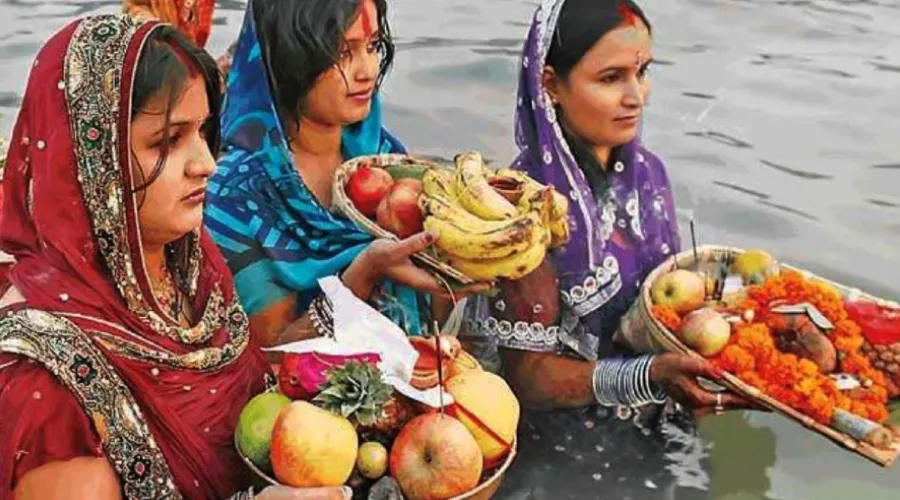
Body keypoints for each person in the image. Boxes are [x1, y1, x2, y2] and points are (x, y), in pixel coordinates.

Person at [0, 15, 349, 500]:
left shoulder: (188, 265)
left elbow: (243, 399)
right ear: (90, 163)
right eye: (167, 141)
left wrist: (356, 302)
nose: (206, 163)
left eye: (204, 132)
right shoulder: (44, 385)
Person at [465, 0, 752, 496]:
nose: (636, 96)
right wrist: (649, 377)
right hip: (559, 452)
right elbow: (527, 379)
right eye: (611, 78)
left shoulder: (649, 177)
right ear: (551, 85)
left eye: (643, 72)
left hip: (658, 421)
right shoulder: (522, 212)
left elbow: (669, 308)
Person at [205, 0, 487, 348]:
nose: (367, 70)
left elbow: (429, 315)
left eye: (372, 46)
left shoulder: (382, 158)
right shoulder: (234, 195)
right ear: (286, 58)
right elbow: (268, 359)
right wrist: (362, 274)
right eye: (342, 52)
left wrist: (460, 271)